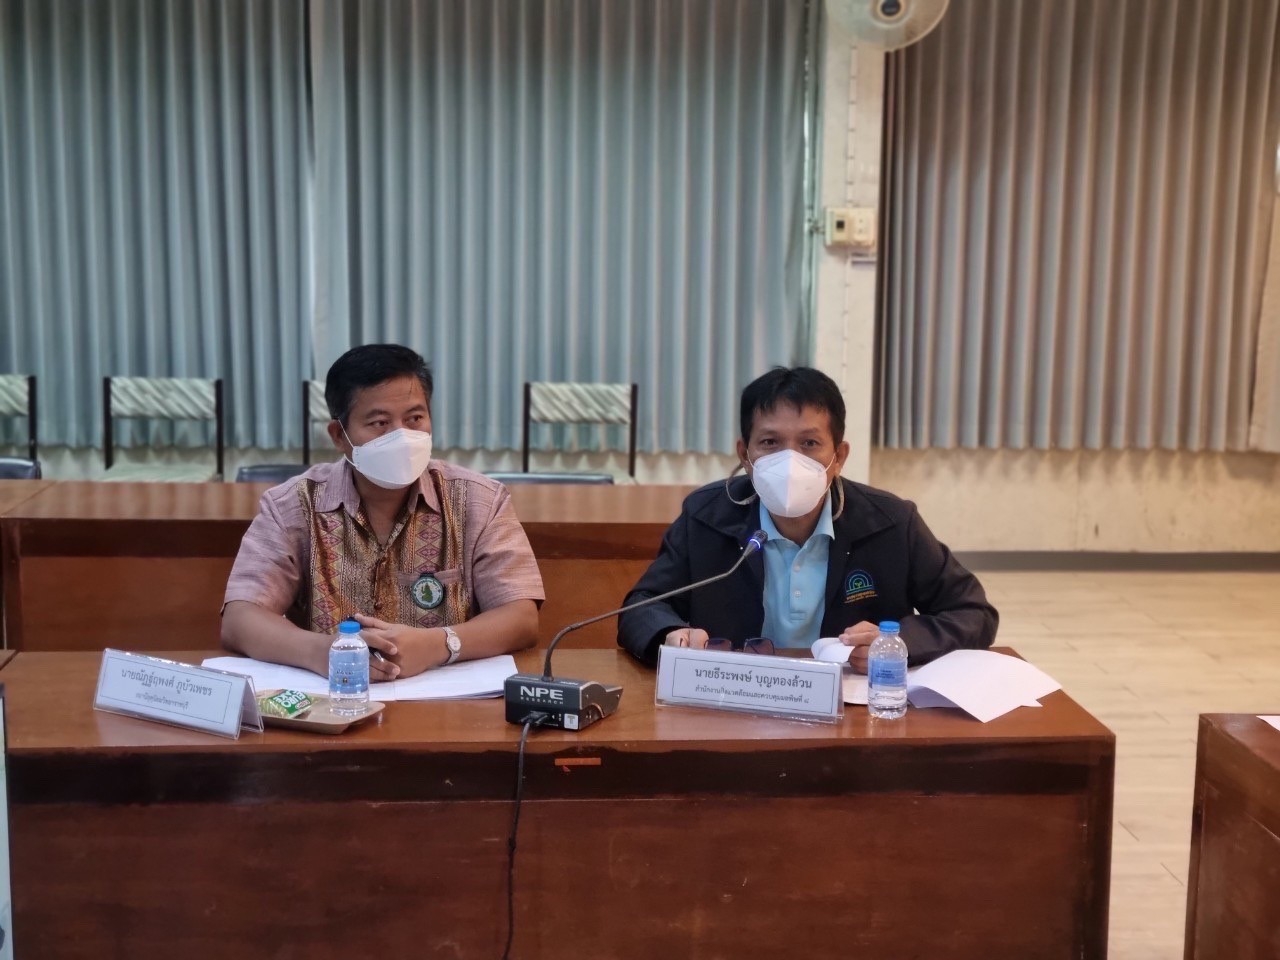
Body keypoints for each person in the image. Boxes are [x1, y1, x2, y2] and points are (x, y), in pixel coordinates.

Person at [617, 366, 997, 670]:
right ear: (745, 455)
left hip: (848, 713)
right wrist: (671, 634)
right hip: (735, 700)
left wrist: (897, 642)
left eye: (809, 443)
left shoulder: (892, 522)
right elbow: (642, 606)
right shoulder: (705, 516)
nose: (790, 461)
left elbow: (973, 613)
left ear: (839, 456)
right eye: (770, 442)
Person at [222, 343, 543, 680]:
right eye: (379, 423)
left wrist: (439, 644)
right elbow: (240, 617)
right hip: (338, 698)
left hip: (447, 702)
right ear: (339, 435)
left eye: (415, 419)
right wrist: (321, 651)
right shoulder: (292, 505)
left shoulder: (479, 501)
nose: (401, 436)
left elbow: (521, 616)